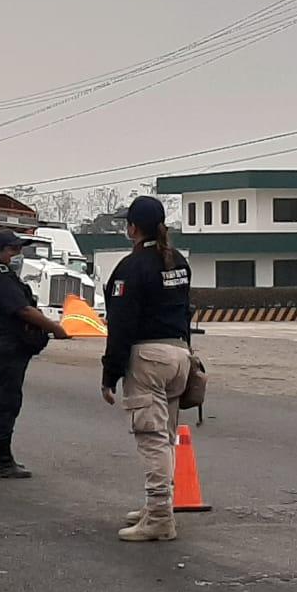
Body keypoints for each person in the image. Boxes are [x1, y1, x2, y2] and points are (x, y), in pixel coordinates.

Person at [101, 195, 192, 542]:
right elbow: (187, 309)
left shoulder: (131, 267)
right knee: (165, 437)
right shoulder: (177, 261)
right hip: (179, 354)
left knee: (151, 439)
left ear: (133, 228)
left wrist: (110, 373)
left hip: (149, 358)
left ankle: (159, 516)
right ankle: (158, 504)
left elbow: (120, 324)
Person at [0, 229, 69, 478]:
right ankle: (1, 462)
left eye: (20, 250)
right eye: (13, 250)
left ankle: (0, 458)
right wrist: (55, 328)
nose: (18, 255)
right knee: (4, 403)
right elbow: (24, 311)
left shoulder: (6, 277)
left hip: (7, 347)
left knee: (4, 400)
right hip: (3, 348)